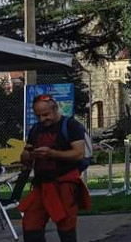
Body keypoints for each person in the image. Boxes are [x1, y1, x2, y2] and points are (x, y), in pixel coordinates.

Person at [19, 95, 91, 242]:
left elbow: (78, 153)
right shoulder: (36, 129)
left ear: (55, 108)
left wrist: (52, 153)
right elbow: (26, 153)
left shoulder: (71, 125)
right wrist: (28, 155)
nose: (42, 119)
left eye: (46, 115)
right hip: (41, 185)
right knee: (31, 222)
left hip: (64, 183)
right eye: (38, 116)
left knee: (66, 225)